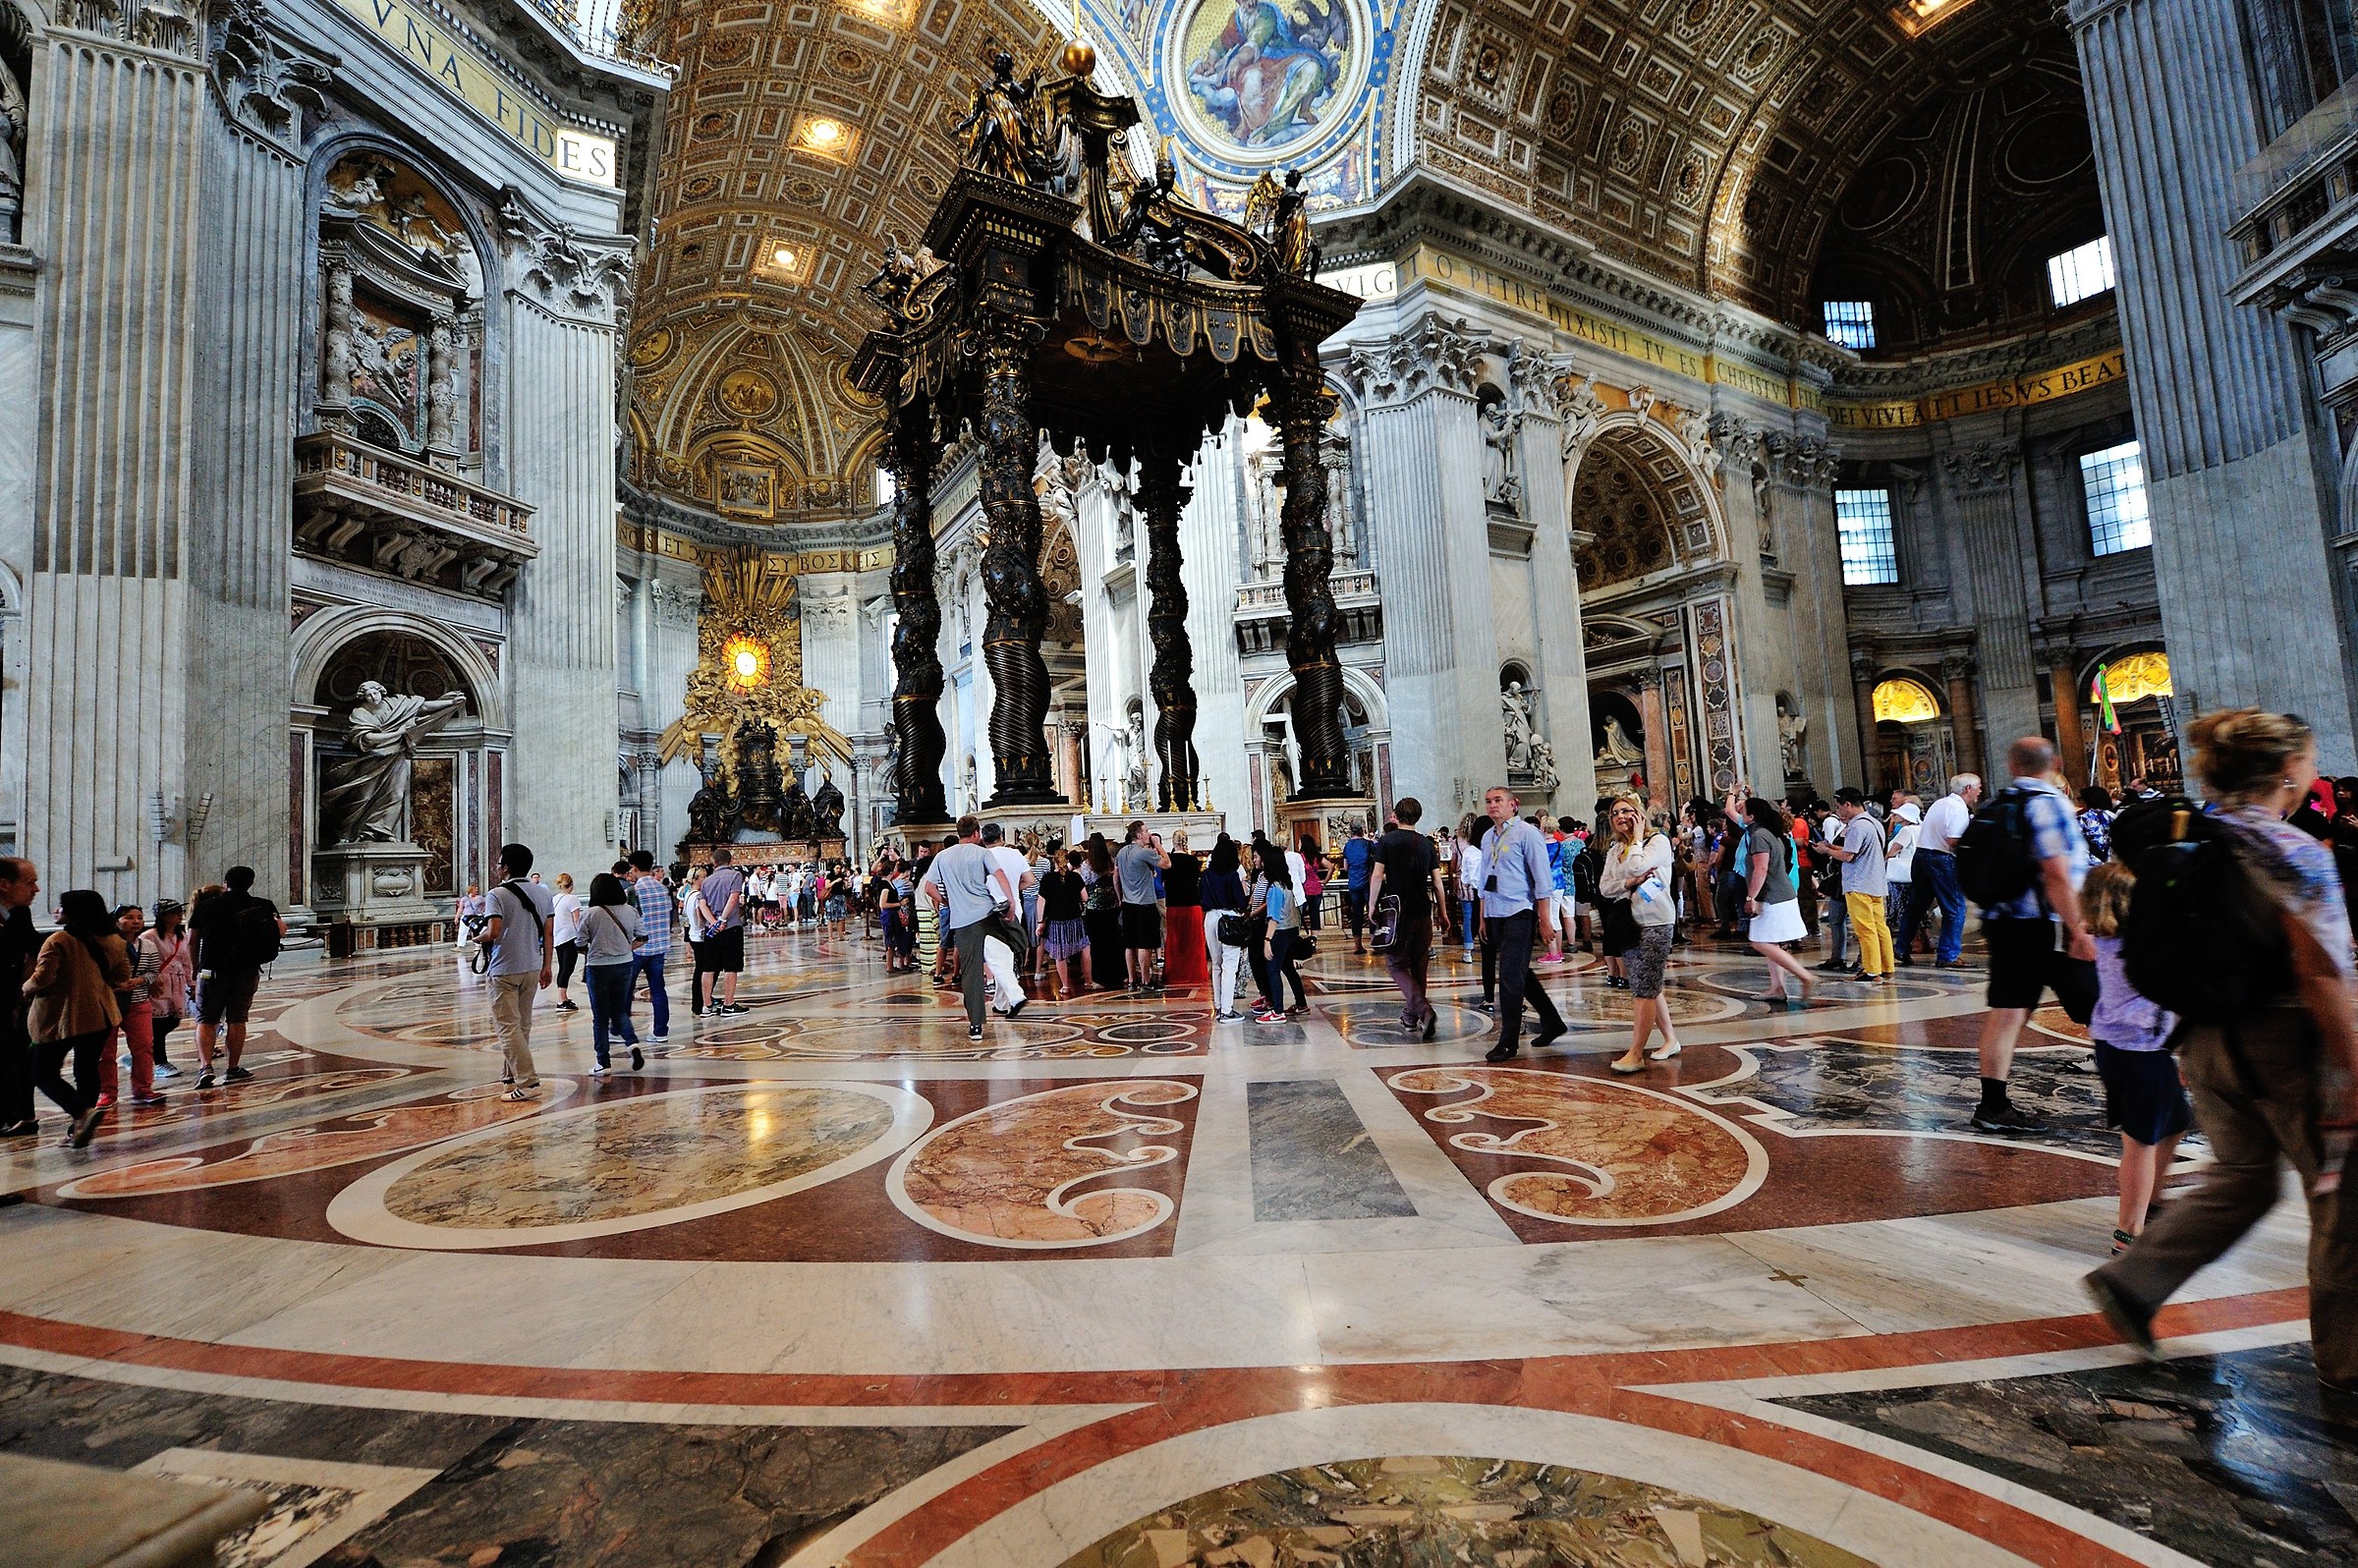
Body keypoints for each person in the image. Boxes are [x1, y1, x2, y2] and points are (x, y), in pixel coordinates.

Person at [2087, 710, 2358, 1393]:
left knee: (2243, 1178)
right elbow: (2323, 974)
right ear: (2291, 772)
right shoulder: (2292, 850)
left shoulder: (2187, 838)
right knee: (2346, 1205)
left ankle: (2133, 1280)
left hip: (2203, 1041)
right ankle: (2349, 1363)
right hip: (2287, 1045)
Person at [1970, 738, 2095, 1135]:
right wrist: (2079, 930)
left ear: (2011, 764)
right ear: (2055, 763)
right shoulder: (2050, 803)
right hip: (2048, 927)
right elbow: (2056, 874)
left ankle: (1992, 1106)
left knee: (2007, 1012)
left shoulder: (1994, 805)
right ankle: (2136, 1099)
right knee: (2104, 1009)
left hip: (2003, 924)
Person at [2070, 860, 2187, 1258]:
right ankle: (2129, 1233)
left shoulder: (2106, 939)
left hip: (2120, 1047)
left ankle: (2150, 1205)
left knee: (2174, 1123)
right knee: (2141, 1143)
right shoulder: (2142, 948)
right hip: (2141, 1051)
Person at [25, 889, 128, 1148]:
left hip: (62, 1015)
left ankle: (81, 1113)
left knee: (42, 1072)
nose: (56, 911)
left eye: (60, 906)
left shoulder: (59, 939)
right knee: (87, 1069)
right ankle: (78, 1129)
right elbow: (120, 976)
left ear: (74, 911)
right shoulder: (115, 940)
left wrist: (23, 989)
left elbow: (43, 978)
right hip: (101, 1015)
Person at [1478, 785, 1567, 1062]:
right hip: (1495, 911)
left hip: (1520, 911)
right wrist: (1482, 916)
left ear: (1513, 804)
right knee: (1519, 973)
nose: (1493, 805)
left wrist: (1544, 918)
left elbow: (1542, 880)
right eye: (1489, 801)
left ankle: (1509, 1042)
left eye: (1498, 800)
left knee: (1508, 977)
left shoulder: (1527, 834)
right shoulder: (1486, 837)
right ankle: (1552, 1021)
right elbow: (1483, 880)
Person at [921, 815, 1030, 1039]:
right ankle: (1015, 989)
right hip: (988, 914)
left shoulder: (942, 856)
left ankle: (976, 1027)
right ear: (977, 833)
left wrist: (947, 901)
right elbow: (999, 876)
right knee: (1012, 942)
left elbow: (929, 887)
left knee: (971, 975)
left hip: (963, 922)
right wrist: (1010, 901)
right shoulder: (982, 853)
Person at [1599, 796, 1681, 1071]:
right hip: (1629, 923)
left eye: (1626, 811)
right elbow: (1605, 887)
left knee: (1643, 989)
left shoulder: (1657, 842)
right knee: (1643, 983)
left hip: (1656, 921)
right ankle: (1670, 1039)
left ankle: (1635, 1053)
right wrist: (1630, 883)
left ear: (1639, 814)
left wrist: (1636, 838)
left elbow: (1637, 865)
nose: (1620, 816)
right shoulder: (1615, 850)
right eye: (1615, 813)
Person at [188, 866, 283, 1090]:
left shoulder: (205, 906)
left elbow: (191, 940)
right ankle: (232, 1068)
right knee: (237, 1019)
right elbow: (282, 930)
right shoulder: (262, 905)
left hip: (212, 970)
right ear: (251, 883)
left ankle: (206, 1067)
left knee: (207, 1019)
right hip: (247, 969)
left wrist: (195, 966)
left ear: (225, 882)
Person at [478, 843, 555, 1100]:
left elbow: (494, 931)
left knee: (507, 1027)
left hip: (504, 968)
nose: (497, 867)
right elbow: (548, 933)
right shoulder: (543, 893)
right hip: (532, 966)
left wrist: (478, 939)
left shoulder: (497, 894)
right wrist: (547, 966)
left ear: (507, 867)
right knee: (522, 1026)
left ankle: (529, 1082)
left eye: (499, 863)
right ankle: (509, 1077)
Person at [1368, 797, 1444, 1038]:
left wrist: (1371, 906)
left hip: (1397, 914)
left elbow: (1378, 876)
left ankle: (1422, 1010)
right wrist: (1442, 911)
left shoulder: (1386, 841)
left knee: (1397, 964)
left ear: (1396, 815)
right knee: (1419, 966)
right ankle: (1411, 1017)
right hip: (1423, 911)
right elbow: (1438, 883)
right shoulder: (1426, 844)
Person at [1737, 795, 1817, 1004]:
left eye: (1743, 809)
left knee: (1759, 942)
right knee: (1770, 941)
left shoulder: (1760, 836)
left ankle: (1804, 976)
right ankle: (1777, 987)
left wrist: (1750, 897)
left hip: (1772, 896)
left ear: (1752, 816)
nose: (1740, 811)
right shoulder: (1770, 833)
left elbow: (1761, 869)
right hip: (1779, 894)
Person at [1900, 773, 1980, 968]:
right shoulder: (1958, 808)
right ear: (1968, 788)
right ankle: (1948, 955)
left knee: (1917, 907)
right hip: (1941, 859)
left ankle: (1901, 947)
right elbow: (1953, 840)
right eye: (1978, 787)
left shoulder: (1940, 803)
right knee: (1955, 907)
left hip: (1921, 857)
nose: (1980, 791)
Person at [1825, 788, 1894, 982]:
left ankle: (1872, 970)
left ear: (1848, 804)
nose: (1838, 811)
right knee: (1880, 926)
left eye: (1839, 807)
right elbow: (1862, 849)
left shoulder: (1856, 826)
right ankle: (1887, 966)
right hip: (1876, 881)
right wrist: (1831, 847)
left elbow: (1848, 855)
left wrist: (1828, 851)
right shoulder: (1875, 823)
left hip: (1859, 883)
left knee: (1865, 929)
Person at [579, 871, 646, 1075]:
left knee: (600, 1017)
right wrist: (625, 949)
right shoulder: (630, 911)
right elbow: (642, 937)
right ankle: (632, 1043)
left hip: (598, 967)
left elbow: (579, 943)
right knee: (619, 1011)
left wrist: (592, 951)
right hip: (625, 964)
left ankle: (603, 1062)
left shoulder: (590, 914)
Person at [100, 905, 160, 1107]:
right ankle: (107, 1092)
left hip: (138, 1001)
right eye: (129, 917)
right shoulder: (106, 945)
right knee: (106, 1051)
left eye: (140, 918)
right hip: (109, 1003)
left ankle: (143, 1089)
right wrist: (115, 985)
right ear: (116, 921)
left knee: (143, 1047)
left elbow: (153, 972)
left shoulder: (148, 946)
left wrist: (138, 981)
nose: (136, 921)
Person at [0, 859, 38, 1140]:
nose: (36, 889)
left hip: (13, 1004)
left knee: (17, 1058)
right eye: (29, 882)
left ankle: (19, 1115)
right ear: (5, 885)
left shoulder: (16, 918)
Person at [979, 822, 1034, 1015]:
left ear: (982, 838)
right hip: (1014, 909)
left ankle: (1016, 996)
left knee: (994, 959)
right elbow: (1030, 880)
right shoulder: (1015, 854)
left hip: (992, 911)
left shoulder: (983, 856)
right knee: (1005, 958)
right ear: (1001, 836)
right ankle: (1000, 1003)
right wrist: (1011, 890)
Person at [1250, 840, 1307, 1022]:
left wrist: (1267, 941)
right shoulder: (1286, 884)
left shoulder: (1274, 888)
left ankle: (1278, 1011)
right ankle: (1301, 1003)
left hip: (1280, 931)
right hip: (1291, 930)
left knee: (1272, 970)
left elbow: (1273, 917)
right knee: (1288, 968)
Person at [624, 851, 674, 1046]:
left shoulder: (633, 892)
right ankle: (661, 1031)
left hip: (637, 948)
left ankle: (620, 1030)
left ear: (634, 868)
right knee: (658, 989)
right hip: (659, 947)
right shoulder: (663, 890)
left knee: (626, 990)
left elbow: (626, 919)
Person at [1199, 836, 1251, 1023]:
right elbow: (1240, 901)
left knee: (1217, 965)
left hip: (1210, 918)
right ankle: (1227, 1010)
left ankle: (1219, 1007)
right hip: (1229, 918)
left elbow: (1201, 899)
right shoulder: (1232, 875)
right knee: (1230, 965)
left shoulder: (1205, 875)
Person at [1115, 821, 1169, 992]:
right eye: (1146, 831)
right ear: (1139, 835)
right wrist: (1158, 844)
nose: (1149, 833)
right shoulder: (1143, 852)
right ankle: (1146, 981)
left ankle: (1132, 980)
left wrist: (1120, 898)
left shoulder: (1121, 852)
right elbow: (1167, 864)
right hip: (1144, 903)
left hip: (1128, 903)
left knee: (1130, 944)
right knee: (1145, 944)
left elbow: (1116, 877)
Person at [142, 899, 191, 1082]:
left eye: (180, 911)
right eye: (174, 912)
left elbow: (186, 962)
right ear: (162, 916)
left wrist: (191, 984)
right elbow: (143, 960)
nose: (179, 915)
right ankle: (160, 1061)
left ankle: (140, 1055)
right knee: (158, 1023)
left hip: (177, 983)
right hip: (159, 982)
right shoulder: (149, 936)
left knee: (173, 1019)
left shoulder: (180, 936)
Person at [700, 847, 748, 1014]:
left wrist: (712, 922)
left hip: (711, 930)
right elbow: (733, 898)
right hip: (730, 926)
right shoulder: (735, 875)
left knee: (709, 967)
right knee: (731, 966)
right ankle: (728, 1004)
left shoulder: (707, 881)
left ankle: (707, 1005)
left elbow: (702, 904)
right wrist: (722, 920)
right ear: (731, 861)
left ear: (714, 862)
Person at [1039, 849, 1090, 997]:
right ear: (1067, 861)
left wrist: (1040, 922)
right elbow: (1085, 897)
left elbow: (1041, 902)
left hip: (1056, 921)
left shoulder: (1047, 879)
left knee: (1059, 954)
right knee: (1084, 948)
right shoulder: (1075, 877)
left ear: (1054, 860)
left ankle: (1065, 986)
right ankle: (1088, 981)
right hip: (1075, 918)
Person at [1162, 831, 1207, 988]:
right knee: (1193, 941)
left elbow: (1164, 881)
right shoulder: (1193, 860)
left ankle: (1174, 974)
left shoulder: (1168, 860)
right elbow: (1196, 880)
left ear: (1173, 842)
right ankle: (1195, 974)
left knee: (1175, 941)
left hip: (1174, 904)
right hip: (1192, 904)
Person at [1884, 800, 1920, 950]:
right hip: (1916, 871)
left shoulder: (1906, 830)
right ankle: (1921, 941)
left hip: (1902, 876)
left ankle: (1913, 942)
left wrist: (1883, 860)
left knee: (1904, 910)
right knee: (1917, 911)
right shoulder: (1921, 827)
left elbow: (1895, 850)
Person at [549, 872, 584, 1013]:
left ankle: (563, 996)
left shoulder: (554, 898)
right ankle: (561, 999)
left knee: (563, 967)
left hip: (558, 937)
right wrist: (582, 937)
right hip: (570, 936)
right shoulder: (572, 899)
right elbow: (577, 920)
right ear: (571, 885)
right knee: (567, 968)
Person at [1342, 822, 1375, 954]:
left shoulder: (1347, 846)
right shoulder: (1367, 844)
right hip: (1367, 881)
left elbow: (1345, 867)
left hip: (1353, 883)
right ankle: (1375, 943)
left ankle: (1358, 946)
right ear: (1362, 830)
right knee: (1372, 910)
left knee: (1357, 914)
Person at [1456, 814, 1486, 957]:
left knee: (1468, 916)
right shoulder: (1490, 846)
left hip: (1468, 886)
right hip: (1488, 889)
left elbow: (1460, 870)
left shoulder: (1460, 844)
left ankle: (1468, 949)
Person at [2078, 785, 2117, 863]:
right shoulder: (2114, 817)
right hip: (2114, 863)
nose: (2078, 803)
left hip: (2090, 864)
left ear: (2087, 800)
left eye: (2079, 799)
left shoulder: (2081, 819)